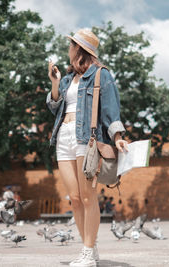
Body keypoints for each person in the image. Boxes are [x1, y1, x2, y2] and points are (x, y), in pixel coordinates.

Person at [46, 28, 128, 267]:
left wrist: (118, 136)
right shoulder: (67, 79)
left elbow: (111, 109)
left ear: (79, 49)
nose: (68, 48)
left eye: (71, 45)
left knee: (87, 196)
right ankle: (89, 249)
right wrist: (54, 83)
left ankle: (87, 251)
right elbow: (55, 107)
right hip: (63, 137)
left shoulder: (101, 75)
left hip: (86, 138)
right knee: (74, 197)